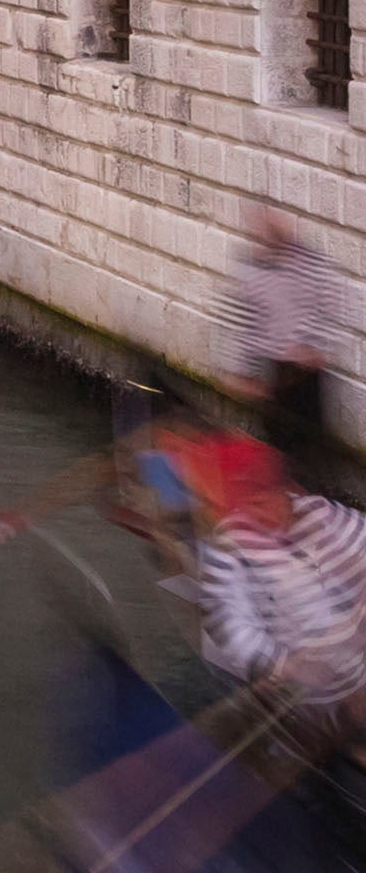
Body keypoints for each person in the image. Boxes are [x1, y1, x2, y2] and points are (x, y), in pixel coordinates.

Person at [199, 434, 366, 743]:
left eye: (261, 502)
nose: (255, 516)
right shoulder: (230, 543)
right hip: (303, 699)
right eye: (245, 506)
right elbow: (228, 620)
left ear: (283, 489)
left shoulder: (324, 514)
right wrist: (281, 664)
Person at [220, 208, 344, 455]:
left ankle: (306, 480)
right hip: (275, 368)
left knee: (308, 438)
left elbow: (327, 305)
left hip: (304, 371)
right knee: (278, 439)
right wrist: (245, 373)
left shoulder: (308, 264)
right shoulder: (252, 272)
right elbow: (249, 326)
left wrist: (310, 344)